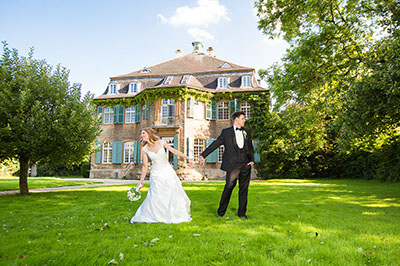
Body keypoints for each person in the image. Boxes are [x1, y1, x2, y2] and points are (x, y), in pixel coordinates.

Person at [130, 128, 193, 224]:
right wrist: (141, 182)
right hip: (155, 174)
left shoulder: (161, 142)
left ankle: (172, 213)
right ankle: (156, 215)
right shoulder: (144, 149)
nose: (141, 135)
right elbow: (145, 166)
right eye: (141, 134)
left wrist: (187, 158)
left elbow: (174, 151)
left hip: (167, 171)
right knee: (156, 194)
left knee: (171, 193)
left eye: (143, 133)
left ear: (149, 134)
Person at [199, 111, 254, 219]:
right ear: (236, 119)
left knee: (244, 189)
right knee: (228, 187)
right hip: (232, 165)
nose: (244, 120)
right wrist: (203, 155)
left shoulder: (246, 131)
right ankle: (221, 212)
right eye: (242, 118)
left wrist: (252, 160)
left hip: (245, 164)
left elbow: (250, 147)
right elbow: (216, 144)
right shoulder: (226, 132)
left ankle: (242, 214)